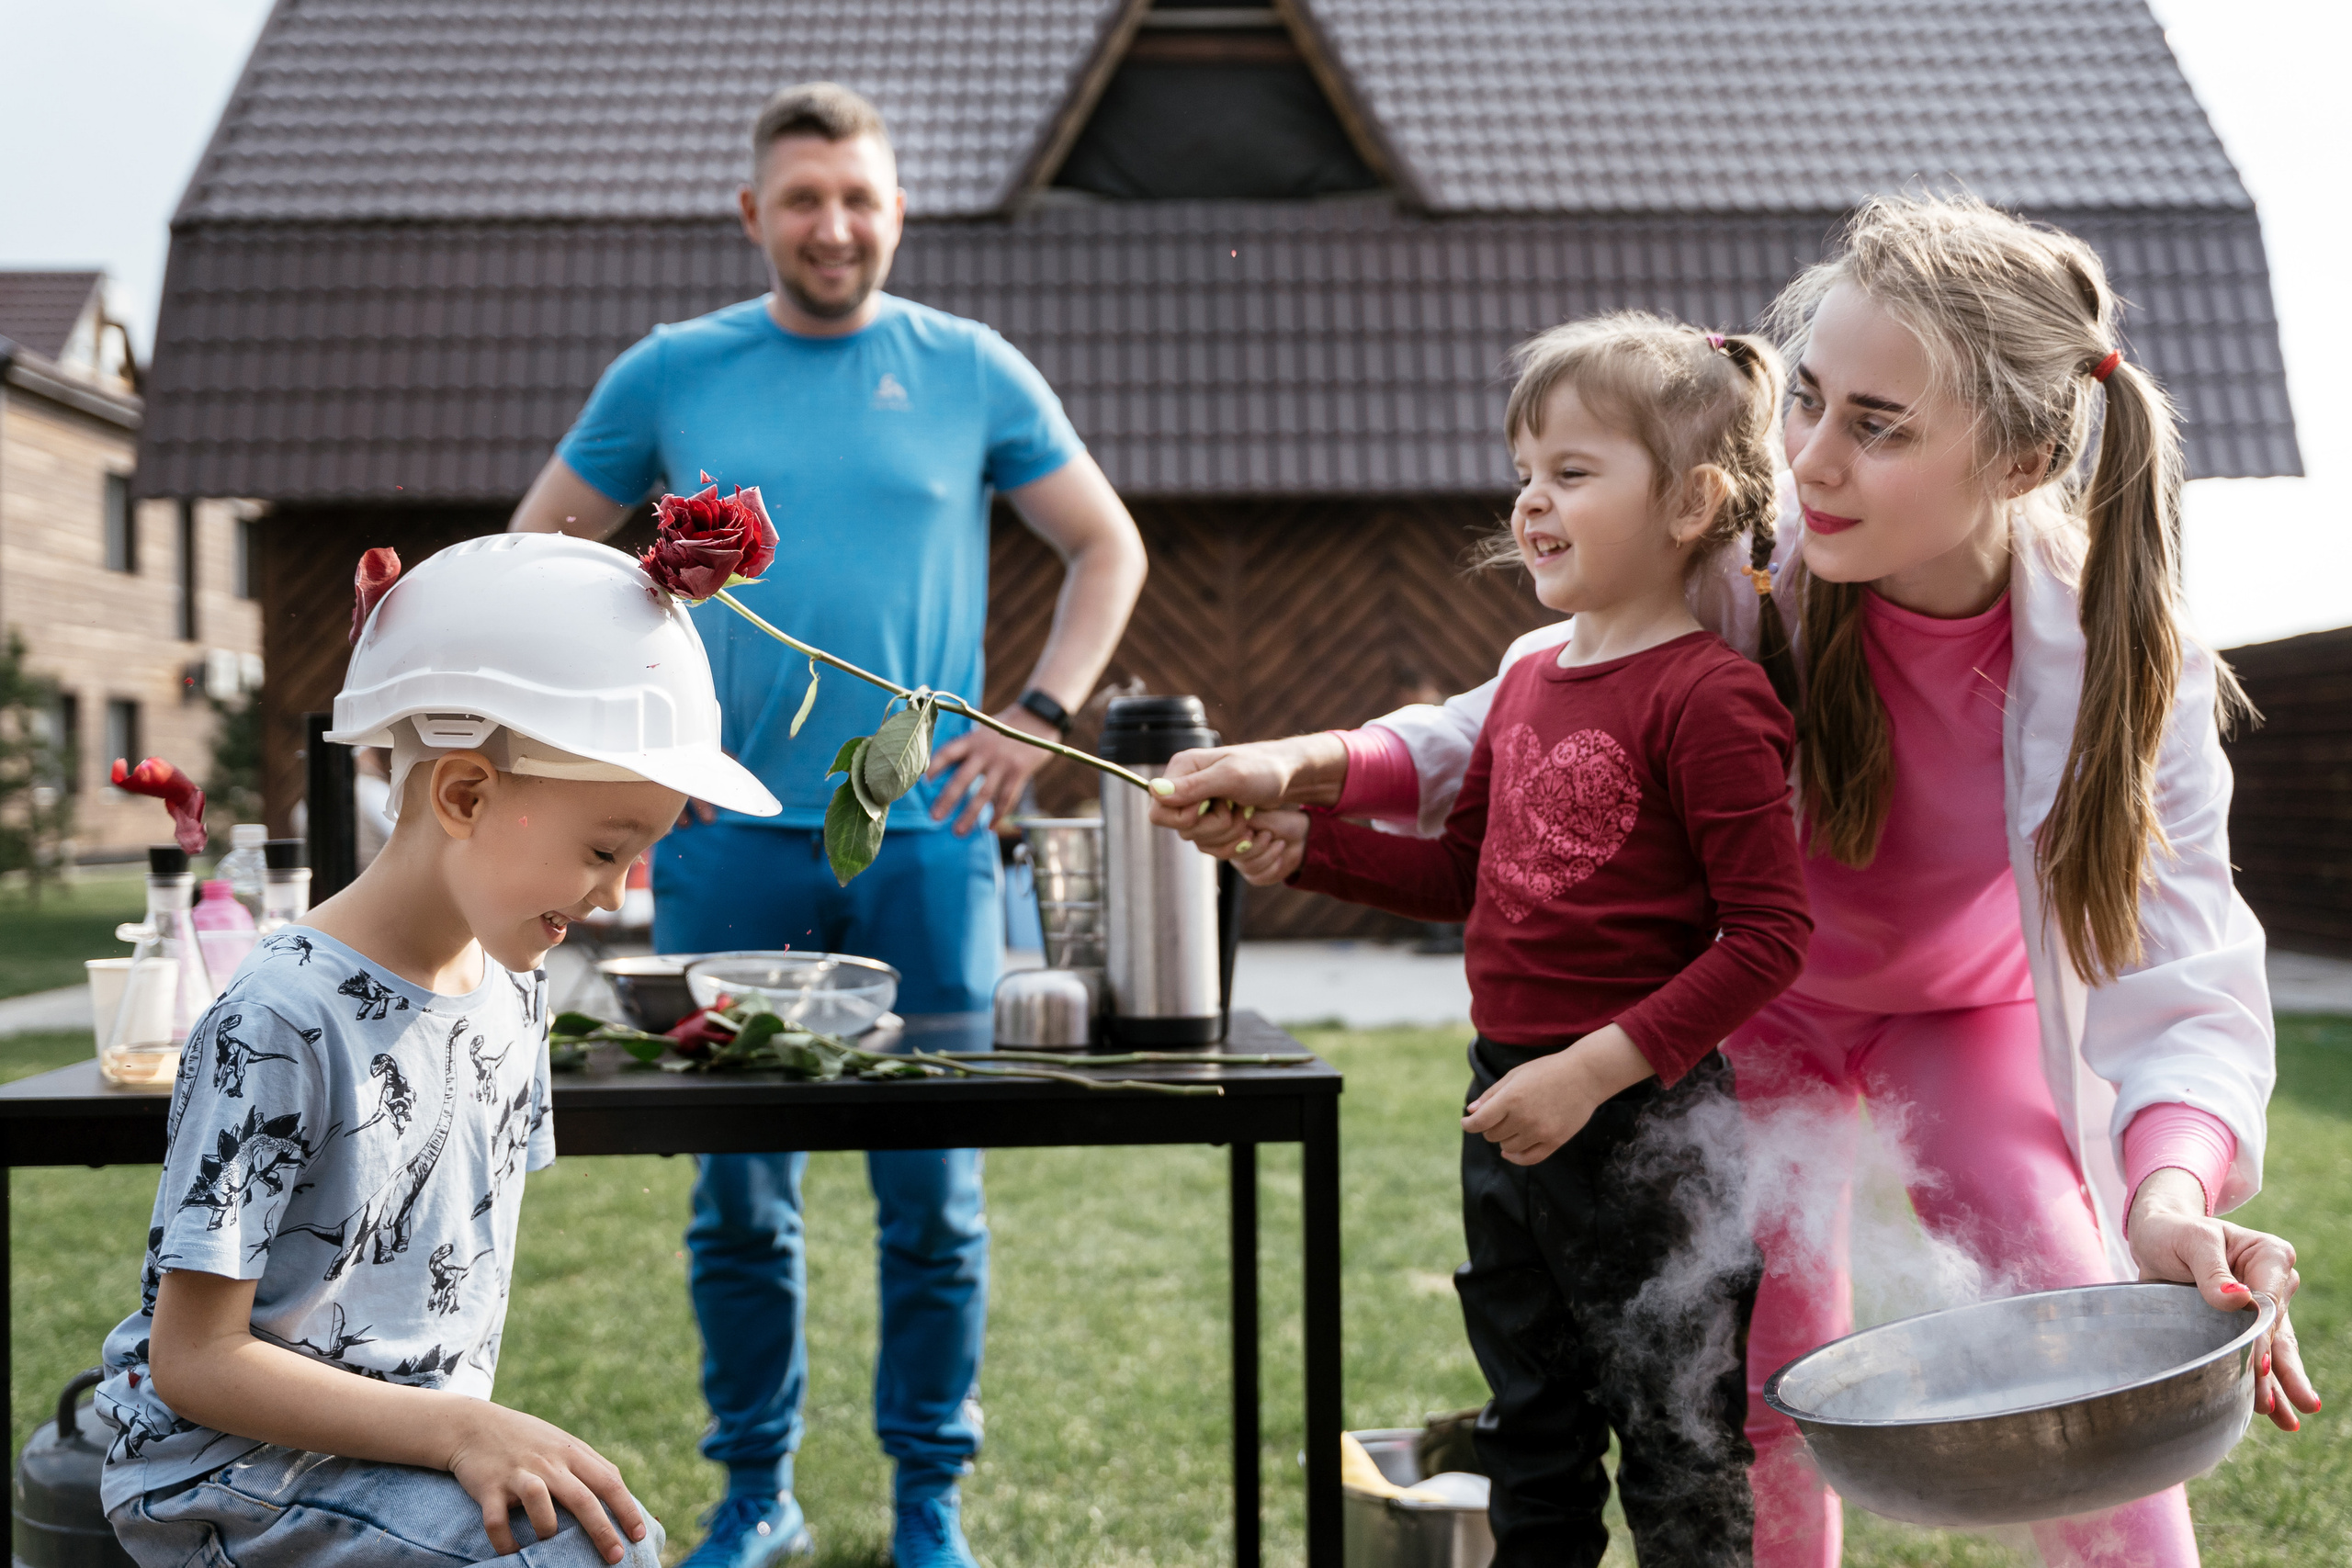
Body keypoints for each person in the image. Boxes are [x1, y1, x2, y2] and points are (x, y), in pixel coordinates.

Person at [1157, 196, 2317, 1568]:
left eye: (1876, 426)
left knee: (2074, 1325)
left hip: (1964, 1021)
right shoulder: (1749, 580)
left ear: (2015, 456)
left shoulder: (2125, 659)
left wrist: (2172, 1193)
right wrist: (1317, 765)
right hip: (1744, 1012)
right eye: (1810, 400)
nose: (1809, 461)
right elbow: (1526, 713)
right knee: (1756, 1360)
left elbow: (2182, 967)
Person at [507, 83, 1147, 1568]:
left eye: (858, 196)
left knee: (934, 1194)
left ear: (898, 208)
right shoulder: (672, 373)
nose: (833, 224)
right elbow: (539, 548)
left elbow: (1104, 543)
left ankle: (930, 1494)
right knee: (741, 1197)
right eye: (803, 199)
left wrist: (1037, 715)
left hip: (924, 840)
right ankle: (757, 1492)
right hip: (726, 838)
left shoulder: (971, 370)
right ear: (754, 216)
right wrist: (629, 733)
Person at [95, 532, 784, 1567]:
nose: (616, 893)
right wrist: (465, 1430)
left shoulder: (513, 991)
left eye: (637, 854)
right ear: (463, 795)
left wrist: (463, 1428)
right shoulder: (283, 1015)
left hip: (392, 1454)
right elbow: (195, 1362)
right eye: (603, 849)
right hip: (222, 1472)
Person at [1295, 314, 1809, 1563]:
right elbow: (1468, 875)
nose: (1532, 500)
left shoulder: (1713, 696)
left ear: (1691, 501)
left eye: (1573, 472)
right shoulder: (1527, 677)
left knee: (1680, 1453)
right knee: (1532, 1434)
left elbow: (1769, 936)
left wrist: (1589, 1072)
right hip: (1509, 1109)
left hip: (1651, 1130)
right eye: (1526, 470)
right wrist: (1299, 845)